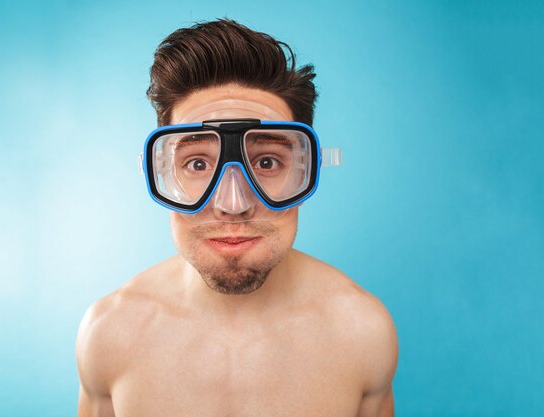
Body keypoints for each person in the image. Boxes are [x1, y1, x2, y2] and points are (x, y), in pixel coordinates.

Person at [75, 18, 398, 417]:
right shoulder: (109, 333)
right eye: (196, 163)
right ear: (161, 171)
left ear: (306, 168)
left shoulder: (363, 333)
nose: (232, 203)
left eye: (265, 161)